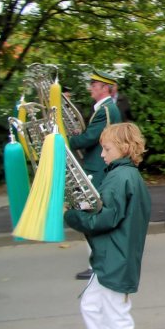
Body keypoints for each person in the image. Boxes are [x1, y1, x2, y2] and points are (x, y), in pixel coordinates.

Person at [65, 123, 151, 329]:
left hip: (114, 259)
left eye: (107, 149)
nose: (102, 154)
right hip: (115, 257)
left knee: (117, 317)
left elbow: (101, 220)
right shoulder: (128, 175)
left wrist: (71, 215)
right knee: (91, 306)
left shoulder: (118, 178)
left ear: (125, 147)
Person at [69, 70, 122, 280]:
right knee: (95, 217)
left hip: (98, 170)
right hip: (98, 169)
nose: (90, 88)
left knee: (93, 217)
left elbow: (91, 138)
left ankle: (98, 265)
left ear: (104, 88)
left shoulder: (106, 110)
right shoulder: (105, 109)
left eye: (94, 84)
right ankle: (103, 261)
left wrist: (62, 141)